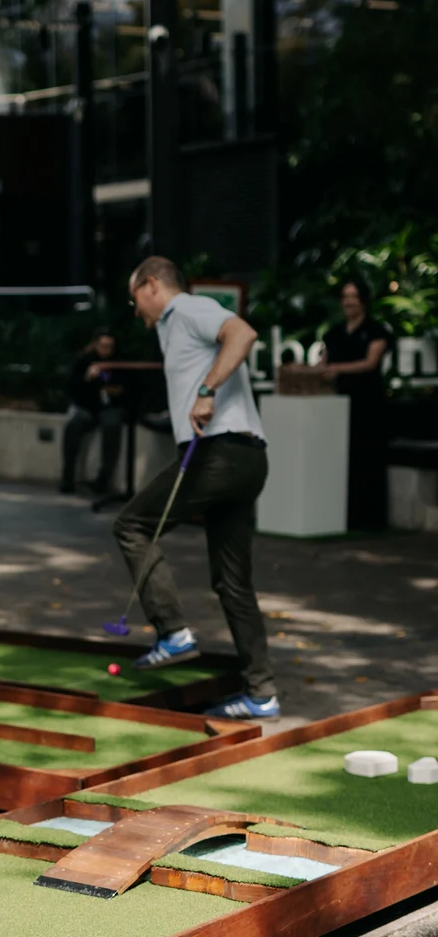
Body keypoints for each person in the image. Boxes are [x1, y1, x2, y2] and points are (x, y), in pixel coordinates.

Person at [112, 256, 279, 720]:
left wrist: (207, 391)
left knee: (131, 525)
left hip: (221, 456)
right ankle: (261, 692)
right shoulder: (171, 327)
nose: (135, 310)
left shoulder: (186, 309)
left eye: (134, 299)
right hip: (246, 458)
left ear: (151, 286)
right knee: (232, 582)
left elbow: (242, 333)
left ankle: (173, 632)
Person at [316, 278, 391, 531]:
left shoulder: (376, 330)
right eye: (344, 296)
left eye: (353, 296)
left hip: (367, 404)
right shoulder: (334, 332)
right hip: (337, 404)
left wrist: (338, 369)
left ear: (363, 301)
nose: (348, 302)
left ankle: (369, 518)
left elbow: (370, 363)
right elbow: (323, 361)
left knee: (366, 457)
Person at [59, 332, 126, 498]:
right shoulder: (84, 361)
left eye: (109, 347)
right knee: (73, 425)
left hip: (110, 407)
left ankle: (103, 479)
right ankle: (67, 476)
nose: (106, 350)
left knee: (112, 426)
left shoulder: (119, 361)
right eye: (103, 346)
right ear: (96, 344)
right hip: (86, 406)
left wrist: (114, 391)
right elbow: (74, 389)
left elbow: (126, 387)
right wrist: (89, 379)